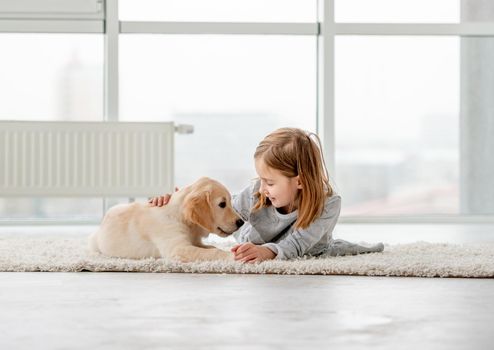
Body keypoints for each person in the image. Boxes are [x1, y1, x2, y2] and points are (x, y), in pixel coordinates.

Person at [149, 127, 384, 263]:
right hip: (252, 241)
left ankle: (369, 247)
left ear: (299, 181)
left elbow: (297, 244)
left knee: (345, 249)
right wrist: (176, 203)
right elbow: (218, 211)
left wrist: (267, 252)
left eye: (270, 182)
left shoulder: (328, 205)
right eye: (261, 180)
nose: (262, 188)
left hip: (312, 249)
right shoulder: (256, 193)